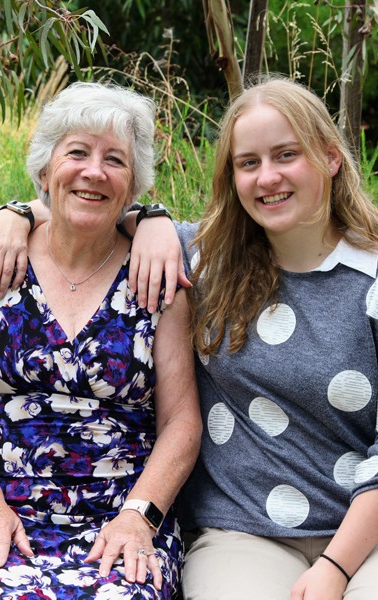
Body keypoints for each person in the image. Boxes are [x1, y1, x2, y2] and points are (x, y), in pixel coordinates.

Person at [0, 82, 202, 600]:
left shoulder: (156, 277)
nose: (94, 171)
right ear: (45, 170)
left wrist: (139, 518)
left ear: (133, 185)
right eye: (77, 152)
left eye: (115, 160)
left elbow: (181, 420)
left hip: (122, 518)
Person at [169, 78, 378, 599]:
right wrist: (18, 216)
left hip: (368, 535)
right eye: (248, 163)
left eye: (287, 155)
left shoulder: (372, 279)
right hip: (243, 536)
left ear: (330, 158)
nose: (268, 178)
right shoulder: (205, 261)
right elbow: (88, 213)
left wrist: (335, 568)